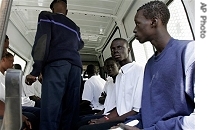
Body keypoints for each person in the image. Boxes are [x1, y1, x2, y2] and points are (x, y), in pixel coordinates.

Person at [116, 1, 195, 130]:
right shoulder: (150, 65)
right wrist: (124, 126)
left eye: (138, 23)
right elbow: (148, 112)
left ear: (154, 22)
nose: (134, 30)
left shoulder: (189, 51)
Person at [25, 0, 84, 129]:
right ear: (67, 11)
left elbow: (42, 42)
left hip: (57, 65)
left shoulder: (47, 17)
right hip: (75, 68)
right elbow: (80, 44)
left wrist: (35, 71)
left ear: (52, 9)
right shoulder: (75, 27)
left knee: (50, 110)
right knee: (70, 110)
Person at [79, 38, 144, 130]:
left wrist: (106, 120)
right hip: (118, 117)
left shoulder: (139, 71)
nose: (116, 51)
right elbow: (119, 108)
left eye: (119, 47)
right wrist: (103, 119)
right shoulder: (120, 76)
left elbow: (136, 111)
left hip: (131, 119)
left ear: (128, 50)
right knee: (82, 125)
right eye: (113, 49)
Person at [74, 57, 120, 129]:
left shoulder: (89, 82)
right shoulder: (107, 81)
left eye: (112, 66)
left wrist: (75, 107)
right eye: (107, 67)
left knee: (78, 121)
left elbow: (87, 101)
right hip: (104, 111)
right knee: (82, 120)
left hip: (104, 111)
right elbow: (101, 99)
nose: (109, 69)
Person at [0, 52, 40, 130]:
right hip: (6, 107)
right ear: (3, 60)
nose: (12, 64)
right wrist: (18, 115)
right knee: (31, 117)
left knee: (38, 113)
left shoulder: (5, 77)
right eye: (11, 61)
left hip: (10, 106)